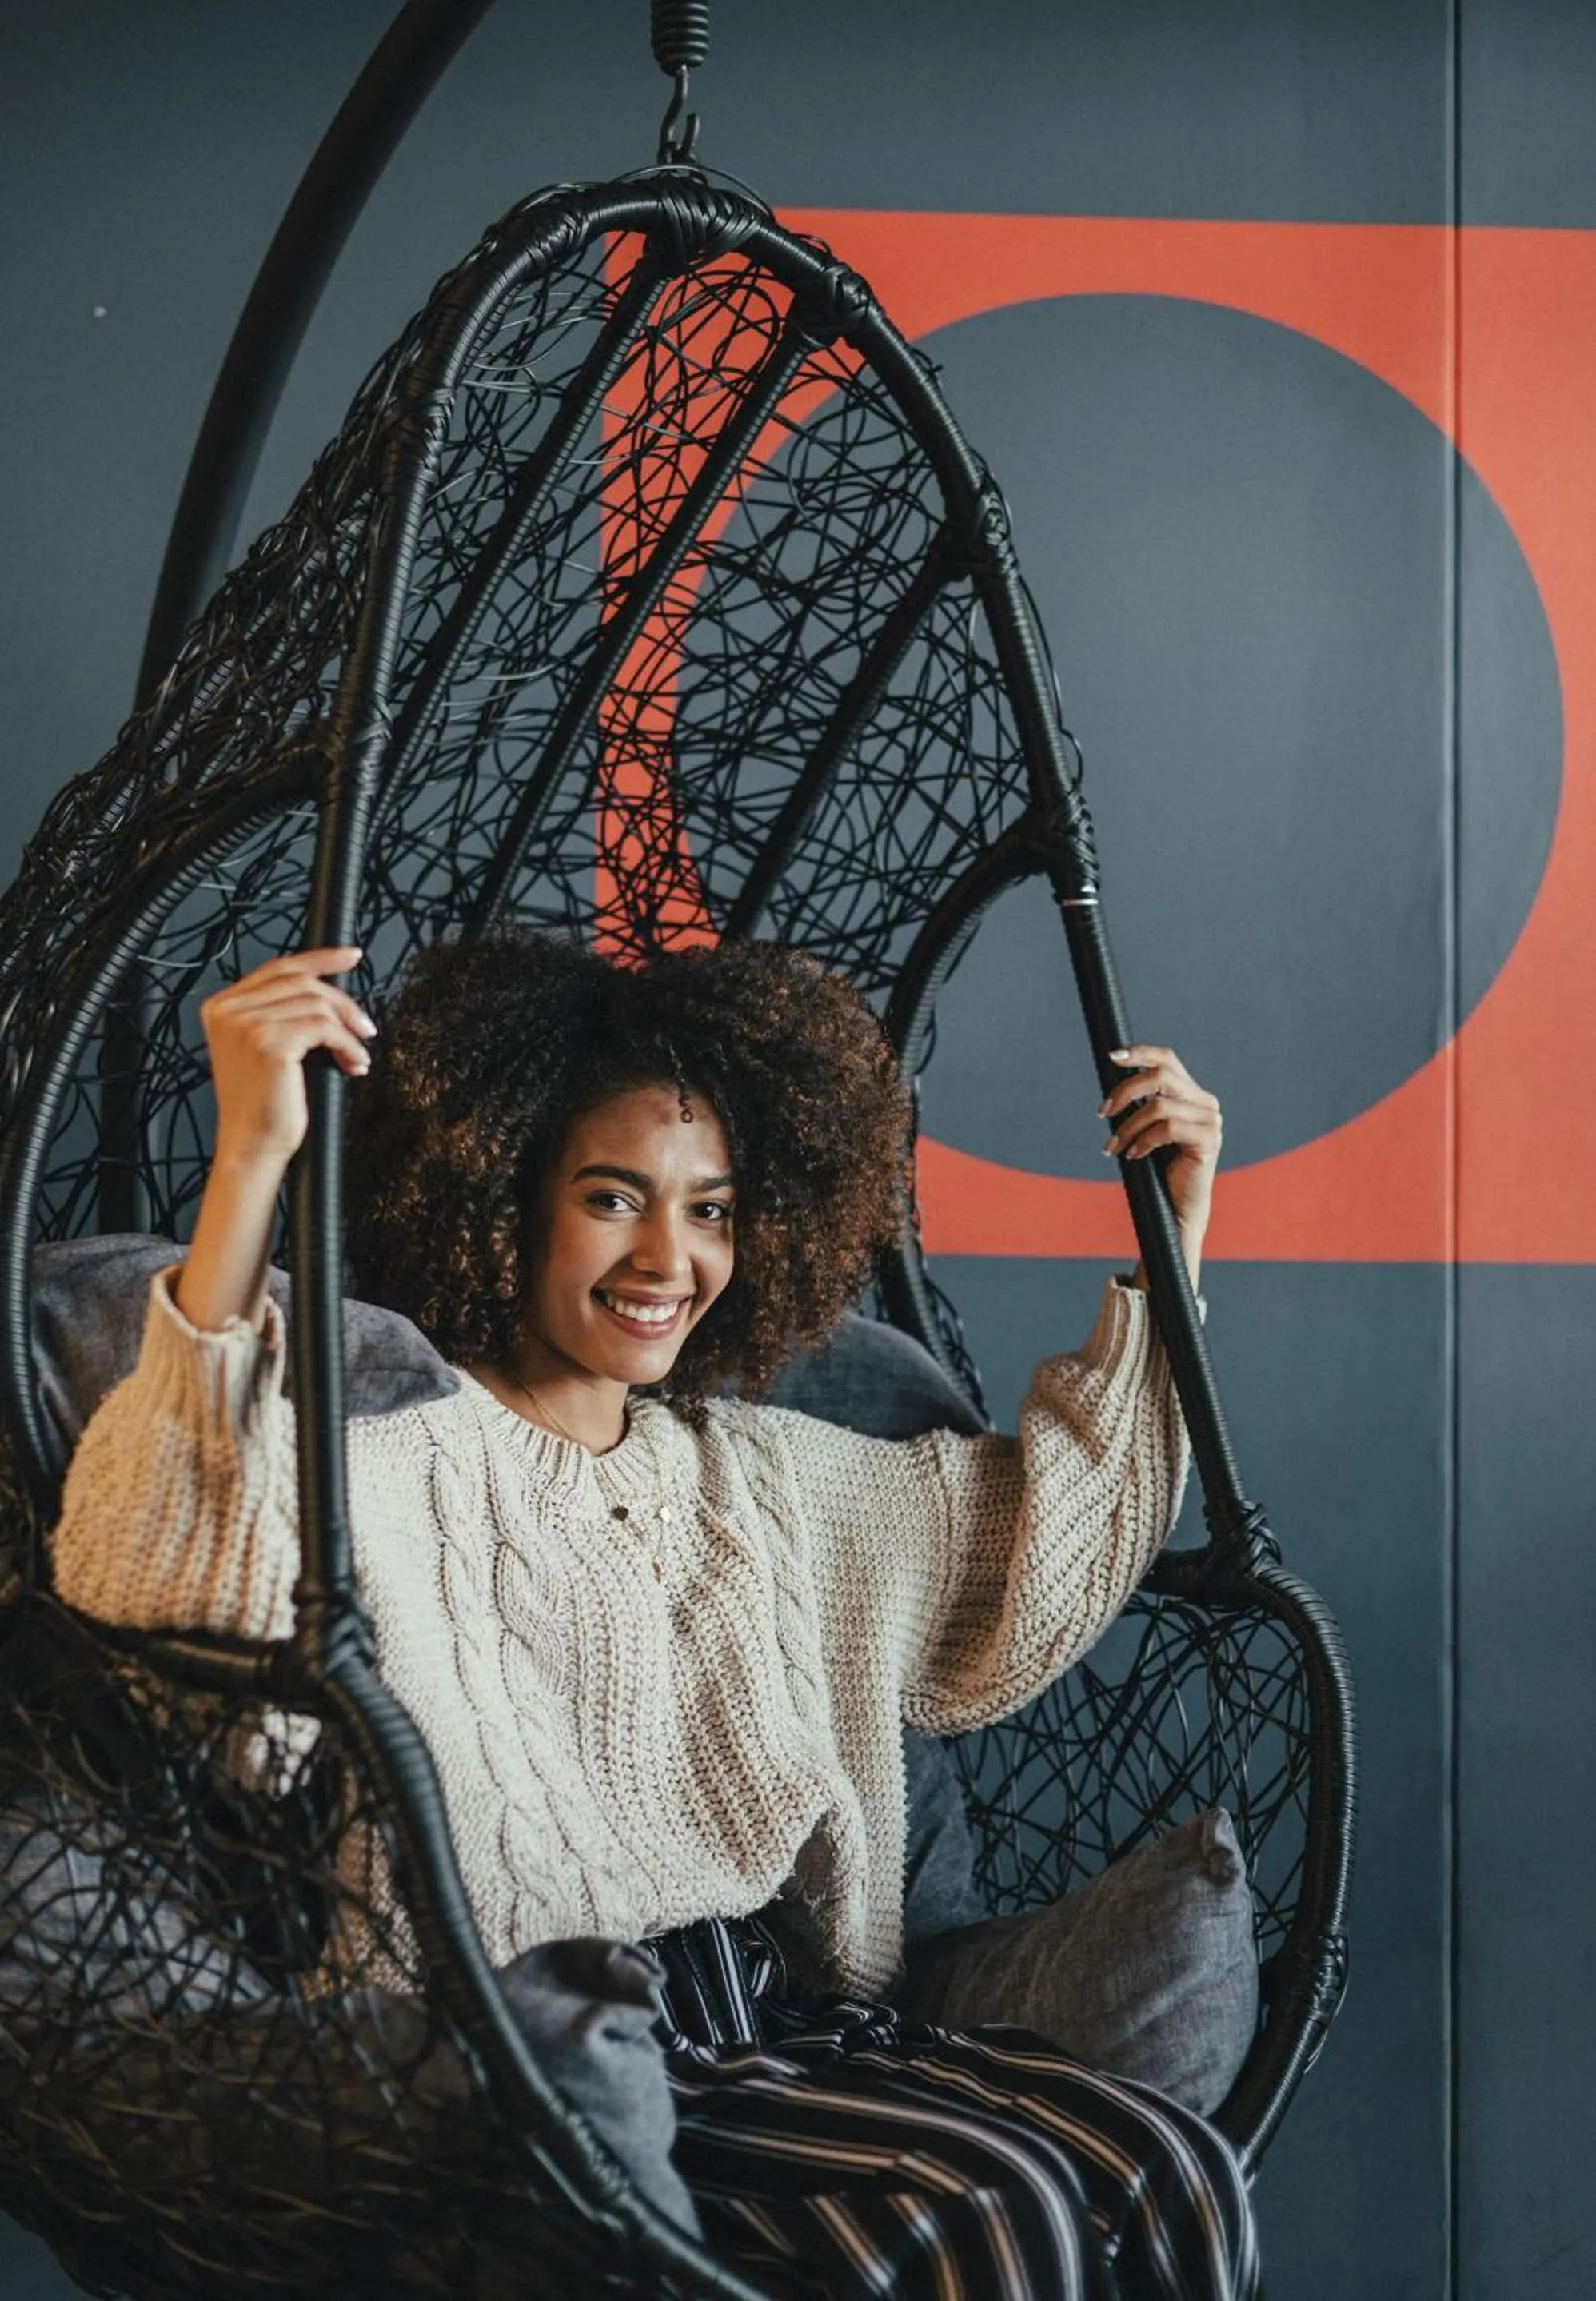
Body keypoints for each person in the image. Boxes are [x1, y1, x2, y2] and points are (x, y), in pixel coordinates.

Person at [52, 931, 1255, 2301]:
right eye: (615, 1197)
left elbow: (1037, 1540)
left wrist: (1177, 1237)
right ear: (501, 1196)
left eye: (714, 1209)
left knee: (1168, 2161)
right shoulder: (384, 1459)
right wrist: (250, 1161)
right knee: (996, 2207)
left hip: (787, 2032)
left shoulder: (754, 1474)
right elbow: (161, 1561)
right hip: (565, 2052)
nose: (669, 1258)